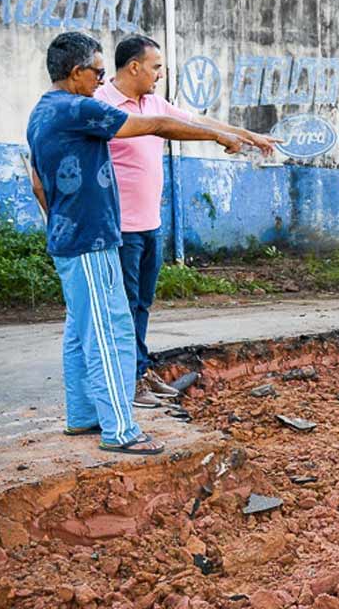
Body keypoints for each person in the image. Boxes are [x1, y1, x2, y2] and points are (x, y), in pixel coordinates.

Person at [26, 32, 244, 455]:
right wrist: (219, 138)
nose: (100, 81)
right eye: (97, 73)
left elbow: (37, 180)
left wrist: (61, 222)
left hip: (71, 236)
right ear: (76, 73)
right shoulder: (79, 108)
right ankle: (120, 430)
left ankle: (83, 416)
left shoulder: (42, 111)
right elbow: (157, 125)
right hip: (89, 238)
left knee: (80, 330)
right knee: (110, 331)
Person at [94, 36, 279, 408]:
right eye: (156, 67)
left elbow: (196, 120)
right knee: (125, 305)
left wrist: (248, 135)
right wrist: (219, 138)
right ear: (134, 67)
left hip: (150, 224)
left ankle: (140, 371)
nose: (160, 74)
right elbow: (165, 126)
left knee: (142, 302)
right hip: (120, 226)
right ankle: (125, 382)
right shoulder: (102, 104)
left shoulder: (153, 101)